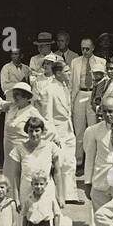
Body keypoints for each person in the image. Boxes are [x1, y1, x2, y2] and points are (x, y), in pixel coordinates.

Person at [0, 75, 42, 192]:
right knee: (9, 173)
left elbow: (45, 128)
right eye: (14, 94)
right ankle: (10, 199)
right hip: (8, 148)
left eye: (18, 94)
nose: (15, 97)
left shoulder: (32, 112)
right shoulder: (11, 107)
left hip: (23, 148)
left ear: (26, 97)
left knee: (22, 174)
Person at [32, 51, 77, 201]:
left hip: (68, 128)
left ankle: (70, 194)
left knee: (70, 162)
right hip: (57, 131)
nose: (69, 73)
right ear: (58, 73)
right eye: (66, 71)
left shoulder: (65, 87)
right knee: (59, 163)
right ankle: (58, 195)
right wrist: (54, 135)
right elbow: (47, 117)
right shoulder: (48, 90)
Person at [69, 36, 107, 168]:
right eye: (82, 49)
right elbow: (71, 83)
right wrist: (71, 102)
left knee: (93, 129)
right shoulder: (75, 62)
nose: (84, 51)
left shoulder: (101, 61)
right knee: (79, 130)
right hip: (80, 93)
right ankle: (79, 161)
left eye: (87, 49)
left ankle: (92, 162)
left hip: (93, 94)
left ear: (93, 48)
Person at [11, 113, 62, 209]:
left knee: (47, 220)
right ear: (27, 132)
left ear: (42, 131)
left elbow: (57, 173)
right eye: (31, 131)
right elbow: (16, 175)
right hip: (26, 191)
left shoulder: (51, 147)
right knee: (26, 221)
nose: (34, 134)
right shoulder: (19, 149)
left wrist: (60, 195)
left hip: (47, 191)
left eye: (37, 130)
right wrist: (16, 198)